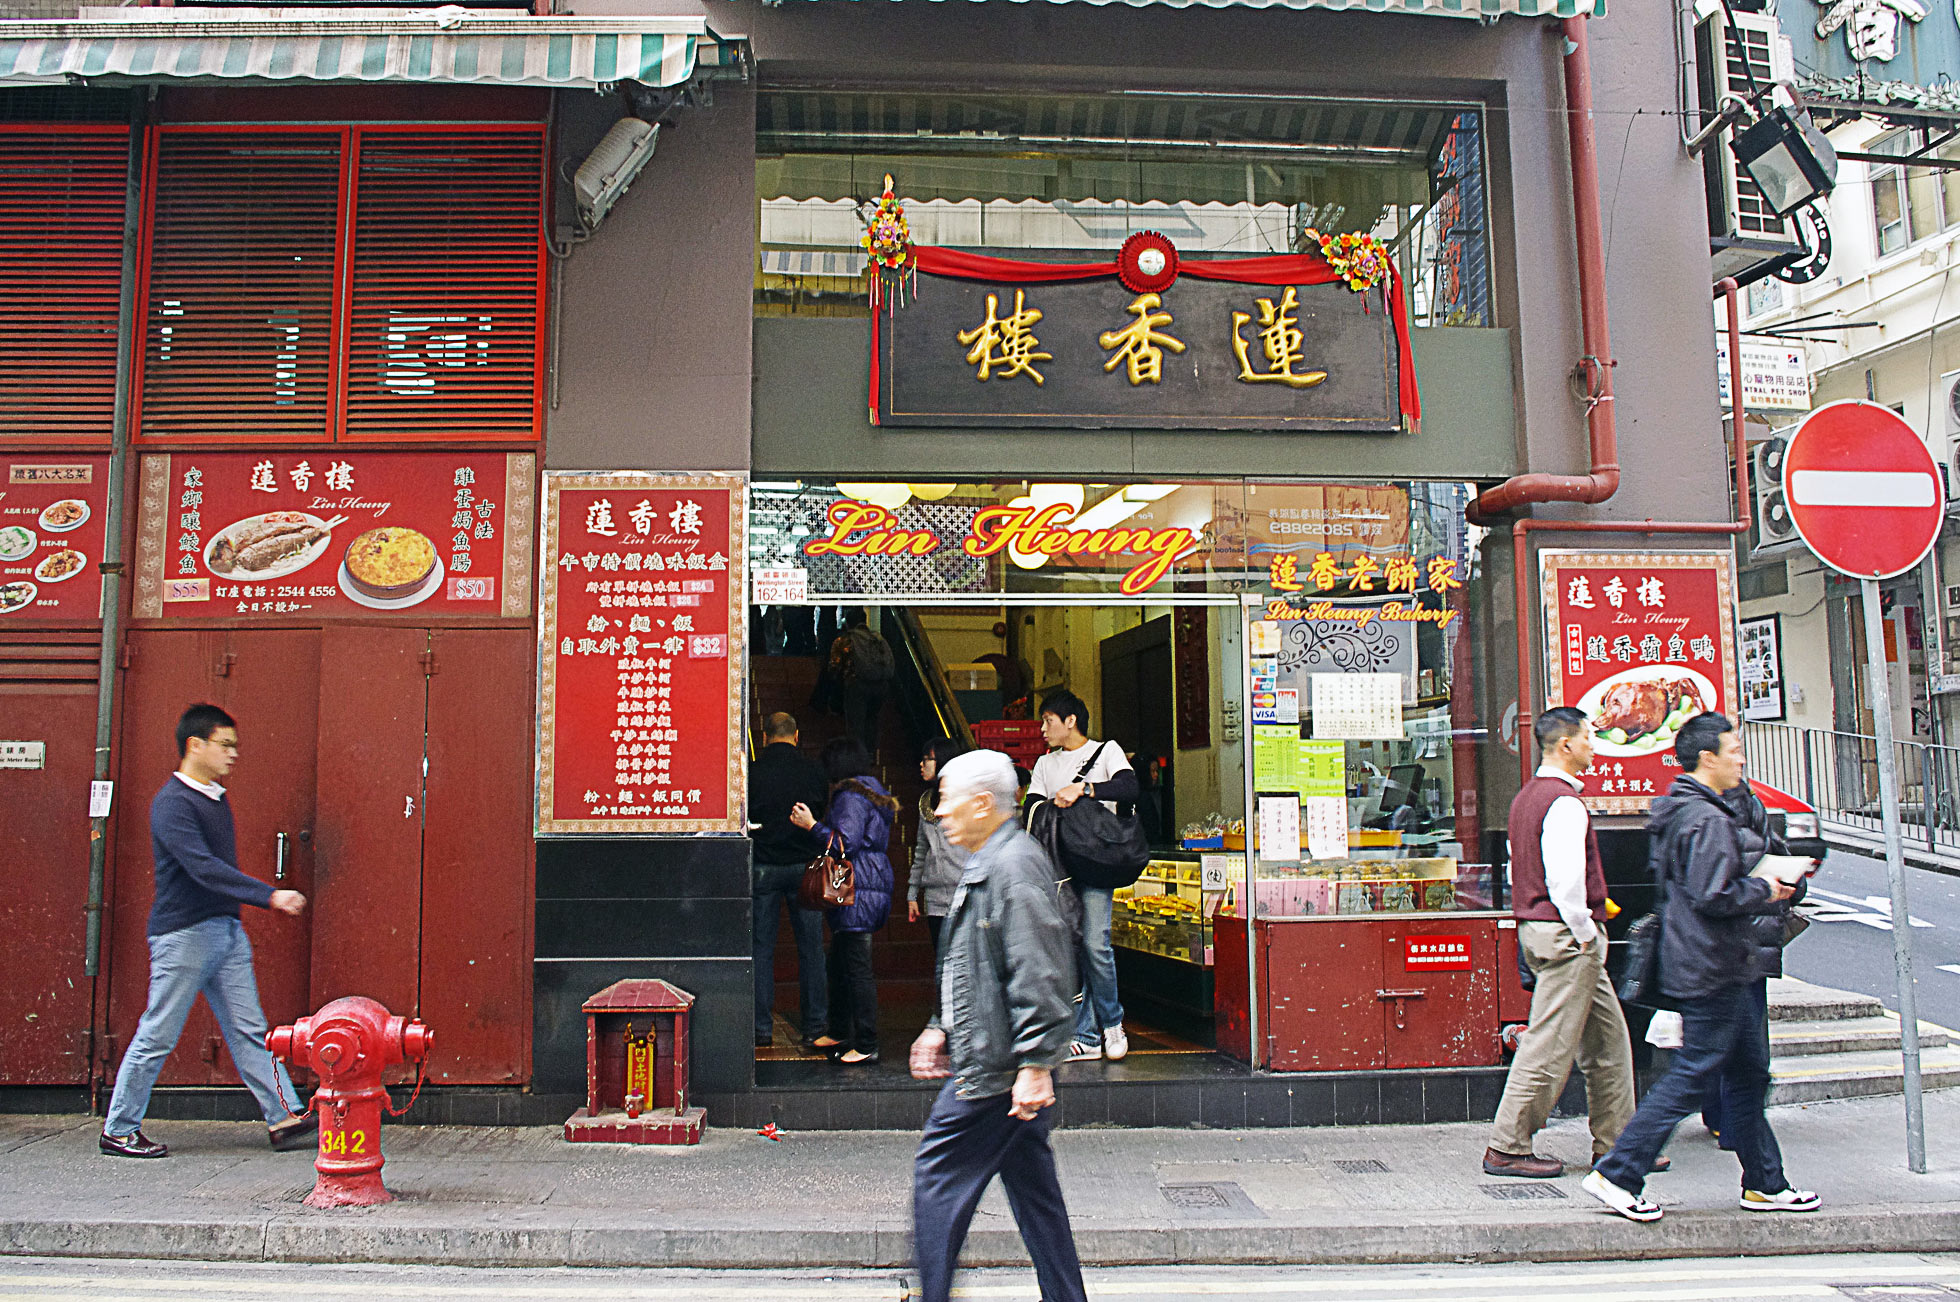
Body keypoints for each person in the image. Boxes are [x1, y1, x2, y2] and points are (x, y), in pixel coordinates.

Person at [1584, 712, 1816, 1222]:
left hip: (1714, 958)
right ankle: (1617, 1173)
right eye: (1734, 750)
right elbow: (1714, 893)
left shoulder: (1691, 808)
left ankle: (1764, 1183)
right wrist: (1766, 889)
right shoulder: (1706, 818)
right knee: (1691, 1077)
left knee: (1750, 1073)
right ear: (1707, 758)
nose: (1741, 758)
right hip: (1712, 960)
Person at [909, 749, 1087, 1302]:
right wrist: (941, 1024)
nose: (939, 814)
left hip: (995, 1070)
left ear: (983, 804)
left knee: (937, 1180)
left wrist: (1035, 1064)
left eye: (946, 800)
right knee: (1036, 1195)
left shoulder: (1014, 867)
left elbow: (1040, 970)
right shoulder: (992, 859)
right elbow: (975, 961)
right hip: (1000, 1058)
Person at [100, 704, 315, 1158]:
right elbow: (202, 869)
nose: (233, 754)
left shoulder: (216, 797)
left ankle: (283, 1116)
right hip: (184, 936)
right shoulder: (173, 804)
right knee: (158, 1032)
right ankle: (119, 1128)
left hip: (226, 932)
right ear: (194, 745)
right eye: (225, 745)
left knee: (249, 1030)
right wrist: (268, 895)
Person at [1483, 707, 1637, 1178]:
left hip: (1546, 930)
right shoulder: (1564, 803)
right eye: (1588, 737)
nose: (1594, 745)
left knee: (1609, 1042)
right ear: (1565, 745)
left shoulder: (1527, 797)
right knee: (1549, 1044)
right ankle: (1508, 1145)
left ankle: (1618, 1144)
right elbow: (1566, 884)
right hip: (1568, 935)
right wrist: (1589, 934)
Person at [1025, 689, 1139, 1063]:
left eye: (1048, 721)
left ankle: (1111, 1023)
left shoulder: (1107, 751)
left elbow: (1128, 786)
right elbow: (1032, 807)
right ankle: (1086, 1034)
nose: (1043, 728)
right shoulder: (1044, 765)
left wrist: (1085, 789)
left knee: (1095, 945)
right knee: (1072, 950)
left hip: (1096, 861)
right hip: (1060, 867)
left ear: (1070, 721)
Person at [1702, 780, 1813, 1142]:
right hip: (1741, 941)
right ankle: (1735, 1128)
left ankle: (1725, 1120)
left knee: (1729, 1041)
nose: (1738, 759)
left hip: (1745, 941)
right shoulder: (1727, 808)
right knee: (1745, 1048)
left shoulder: (1727, 804)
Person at [791, 736, 896, 1065]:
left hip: (857, 887)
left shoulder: (850, 796)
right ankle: (838, 1029)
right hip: (869, 881)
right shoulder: (871, 791)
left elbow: (843, 844)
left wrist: (811, 826)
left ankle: (867, 1043)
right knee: (839, 962)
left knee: (856, 967)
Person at [748, 712, 830, 1053]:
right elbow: (821, 810)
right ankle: (814, 1027)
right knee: (812, 949)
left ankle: (760, 1029)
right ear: (796, 735)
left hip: (764, 864)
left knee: (761, 950)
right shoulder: (813, 770)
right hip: (805, 867)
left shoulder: (751, 770)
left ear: (765, 736)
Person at [909, 737, 972, 994]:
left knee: (966, 966)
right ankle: (949, 1023)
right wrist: (913, 892)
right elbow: (921, 850)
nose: (922, 764)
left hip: (966, 894)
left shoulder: (967, 800)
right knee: (943, 965)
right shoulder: (926, 801)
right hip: (935, 899)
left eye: (928, 759)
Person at [818, 609, 895, 751]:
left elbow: (834, 667)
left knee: (855, 723)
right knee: (872, 720)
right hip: (881, 685)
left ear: (847, 623)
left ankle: (857, 756)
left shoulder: (845, 640)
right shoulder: (877, 639)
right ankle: (871, 754)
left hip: (857, 685)